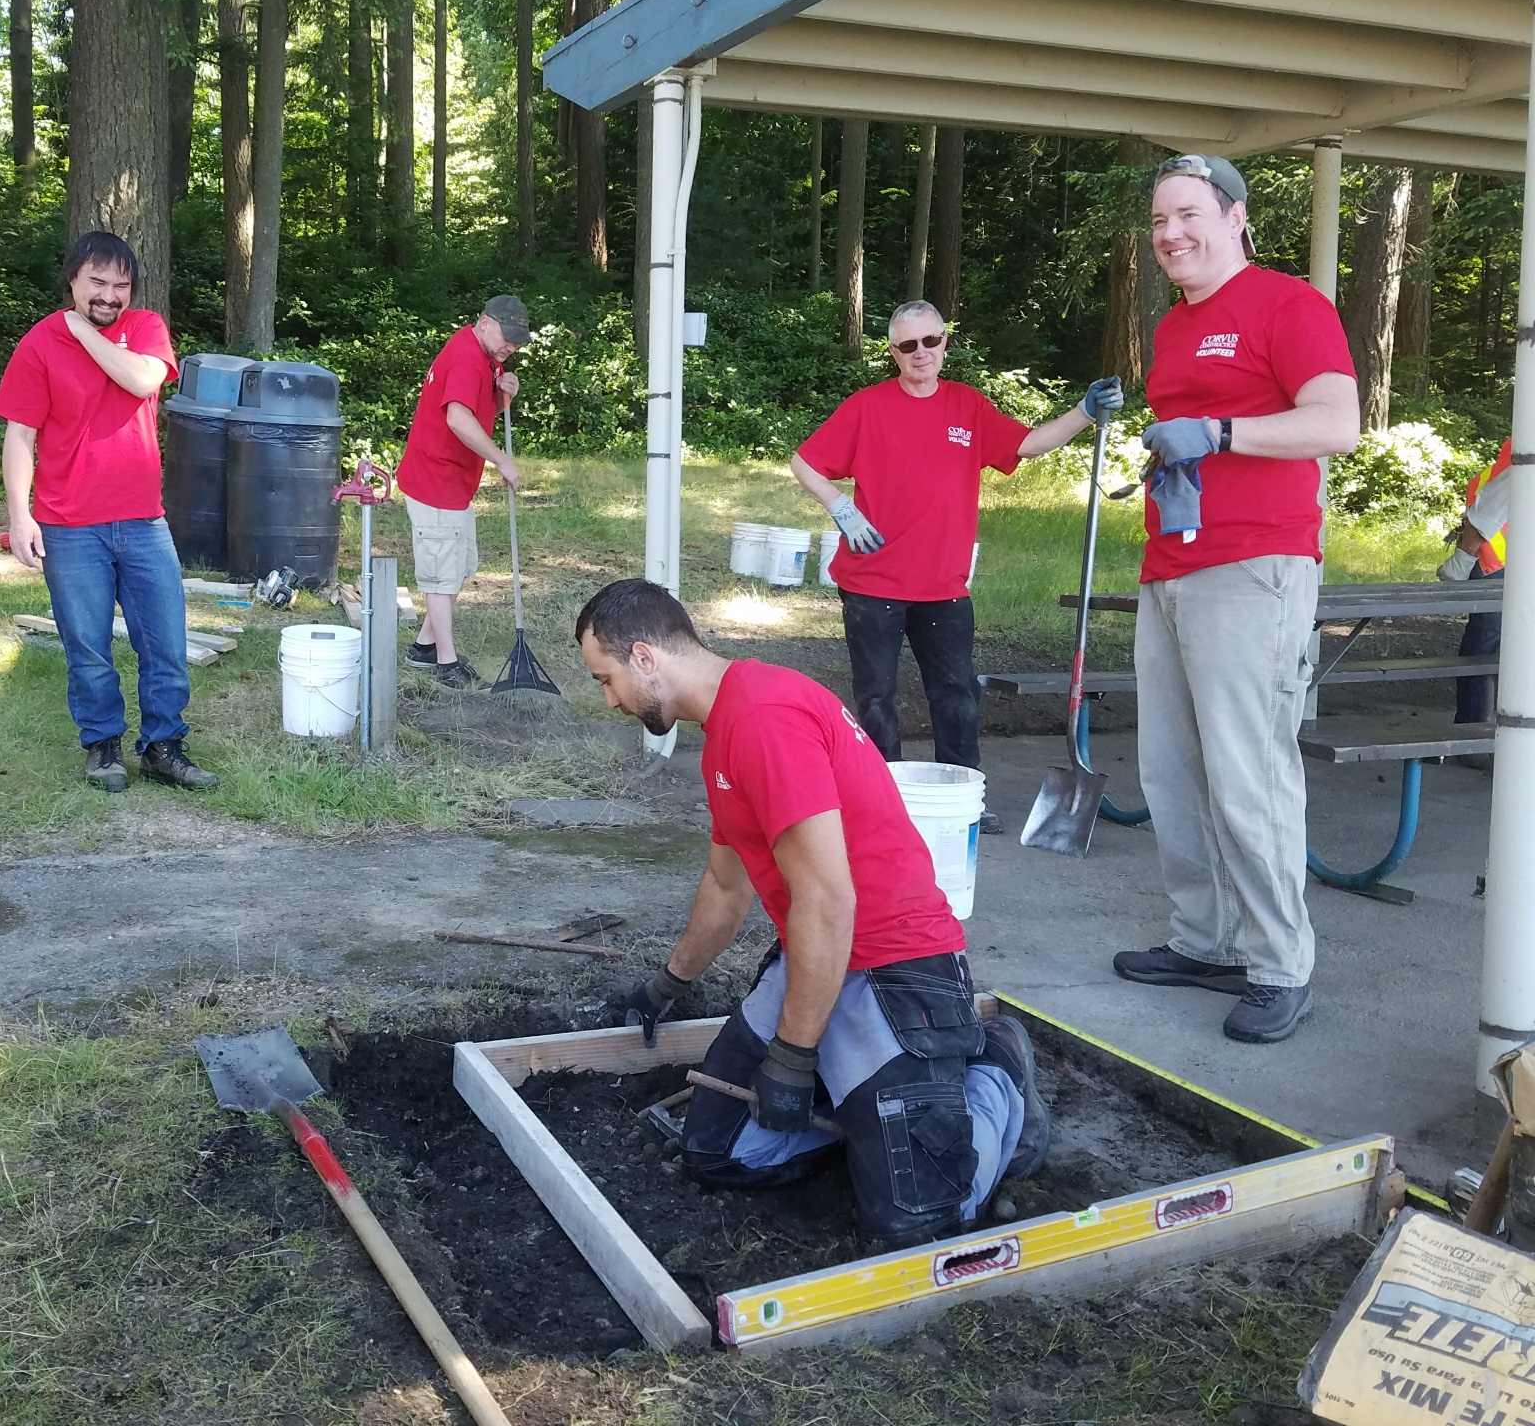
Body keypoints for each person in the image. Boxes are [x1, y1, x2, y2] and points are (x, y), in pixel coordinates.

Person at [577, 578, 1049, 1249]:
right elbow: (725, 883)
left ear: (646, 657)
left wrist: (795, 1056)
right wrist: (665, 987)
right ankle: (874, 1113)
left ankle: (995, 1073)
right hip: (820, 957)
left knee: (920, 1224)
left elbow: (829, 899)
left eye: (607, 679)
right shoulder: (723, 737)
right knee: (720, 1151)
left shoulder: (764, 718)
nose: (610, 699)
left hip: (898, 968)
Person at [1111, 154, 1358, 1046]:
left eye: (1187, 214)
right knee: (1172, 770)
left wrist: (1217, 431)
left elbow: (1337, 423)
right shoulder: (1176, 328)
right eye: (1158, 222)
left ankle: (1279, 964)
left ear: (1235, 216)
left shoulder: (1289, 304)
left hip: (1257, 568)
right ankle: (1205, 939)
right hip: (1172, 564)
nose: (1170, 234)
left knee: (1249, 775)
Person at [789, 299, 1123, 780]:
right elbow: (805, 462)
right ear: (893, 351)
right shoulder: (867, 407)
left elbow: (1029, 444)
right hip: (871, 582)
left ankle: (965, 792)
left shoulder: (967, 405)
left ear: (945, 342)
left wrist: (1084, 411)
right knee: (876, 693)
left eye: (930, 340)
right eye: (908, 345)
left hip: (943, 586)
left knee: (956, 692)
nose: (920, 352)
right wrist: (841, 508)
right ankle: (884, 793)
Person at [0, 231, 218, 794]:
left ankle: (164, 748)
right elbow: (20, 435)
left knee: (165, 643)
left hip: (143, 520)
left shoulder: (145, 330)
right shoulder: (38, 345)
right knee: (88, 648)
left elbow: (143, 378)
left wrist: (81, 332)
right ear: (72, 279)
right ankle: (103, 748)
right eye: (96, 282)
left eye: (120, 285)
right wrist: (20, 517)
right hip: (68, 525)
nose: (109, 295)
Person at [395, 294, 530, 689]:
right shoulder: (468, 358)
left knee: (457, 566)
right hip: (435, 481)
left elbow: (477, 409)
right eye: (508, 337)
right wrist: (501, 461)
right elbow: (457, 419)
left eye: (518, 342)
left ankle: (423, 645)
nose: (512, 347)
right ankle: (445, 661)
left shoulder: (483, 356)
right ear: (485, 322)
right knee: (441, 575)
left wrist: (506, 392)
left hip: (452, 483)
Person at [1440, 439, 1508, 728]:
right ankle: (1475, 730)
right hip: (1501, 568)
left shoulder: (1523, 454)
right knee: (1487, 649)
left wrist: (1463, 559)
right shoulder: (1524, 455)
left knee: (1484, 649)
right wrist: (1465, 558)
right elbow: (1486, 515)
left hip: (1501, 567)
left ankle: (1475, 730)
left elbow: (1485, 515)